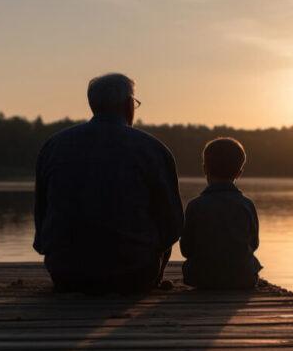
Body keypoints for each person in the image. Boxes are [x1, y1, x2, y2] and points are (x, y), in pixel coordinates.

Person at [33, 73, 183, 294]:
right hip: (133, 276)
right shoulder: (152, 149)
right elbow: (173, 225)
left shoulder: (54, 146)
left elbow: (41, 214)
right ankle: (152, 279)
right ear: (128, 105)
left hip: (66, 275)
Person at [180, 137, 262, 290]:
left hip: (201, 278)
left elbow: (186, 249)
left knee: (190, 267)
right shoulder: (247, 205)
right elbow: (254, 244)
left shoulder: (195, 206)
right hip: (243, 279)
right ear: (239, 173)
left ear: (205, 169)